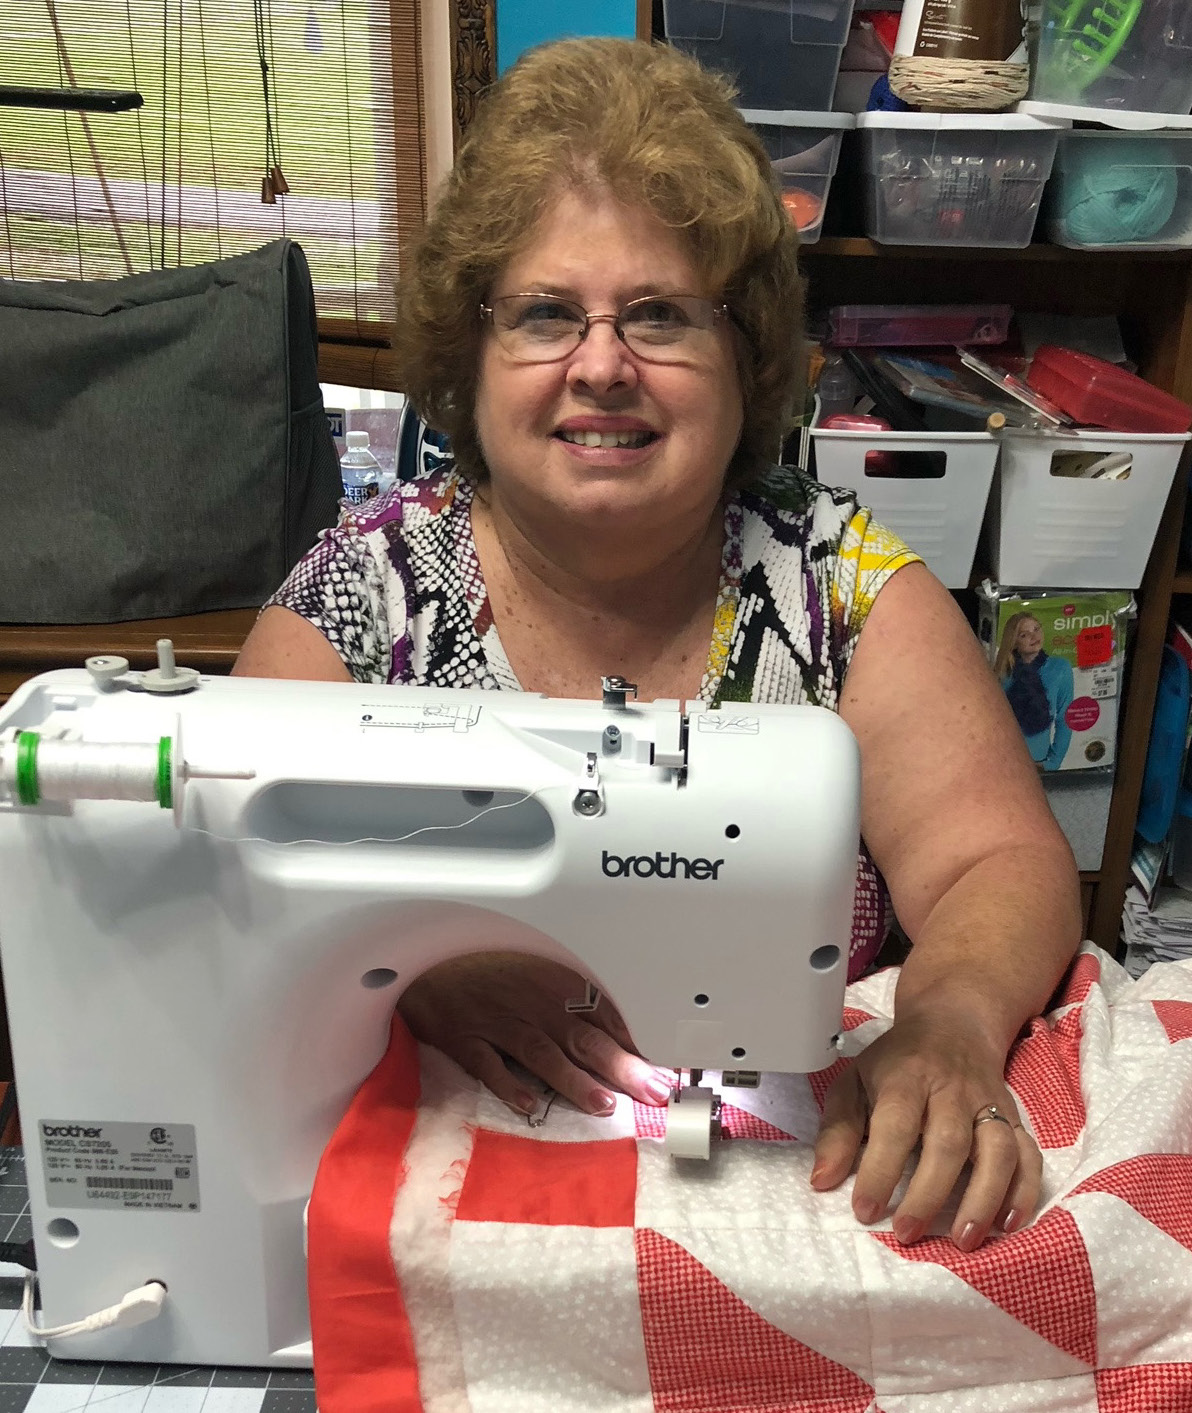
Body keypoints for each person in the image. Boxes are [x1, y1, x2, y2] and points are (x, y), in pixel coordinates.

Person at [234, 36, 1081, 1254]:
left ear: (746, 364)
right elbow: (231, 876)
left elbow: (998, 860)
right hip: (437, 1202)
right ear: (466, 362)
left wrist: (947, 1021)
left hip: (783, 1208)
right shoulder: (362, 594)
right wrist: (410, 974)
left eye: (660, 316)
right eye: (542, 315)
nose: (600, 367)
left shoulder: (838, 583)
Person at [995, 611, 1075, 771]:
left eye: (1036, 629)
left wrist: (1053, 762)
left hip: (1039, 762)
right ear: (1014, 641)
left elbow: (1065, 718)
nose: (1034, 636)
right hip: (1005, 761)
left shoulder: (1060, 668)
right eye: (1024, 634)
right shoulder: (1002, 673)